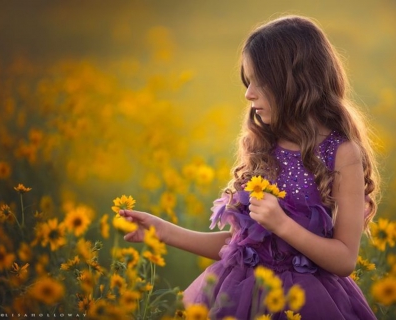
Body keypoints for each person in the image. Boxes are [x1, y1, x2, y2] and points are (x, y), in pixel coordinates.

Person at [119, 15, 379, 319]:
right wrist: (162, 231)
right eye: (247, 81)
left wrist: (282, 224)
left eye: (260, 82)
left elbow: (345, 259)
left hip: (306, 302)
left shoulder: (342, 154)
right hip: (242, 297)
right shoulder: (261, 147)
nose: (248, 93)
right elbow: (239, 246)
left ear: (296, 82)